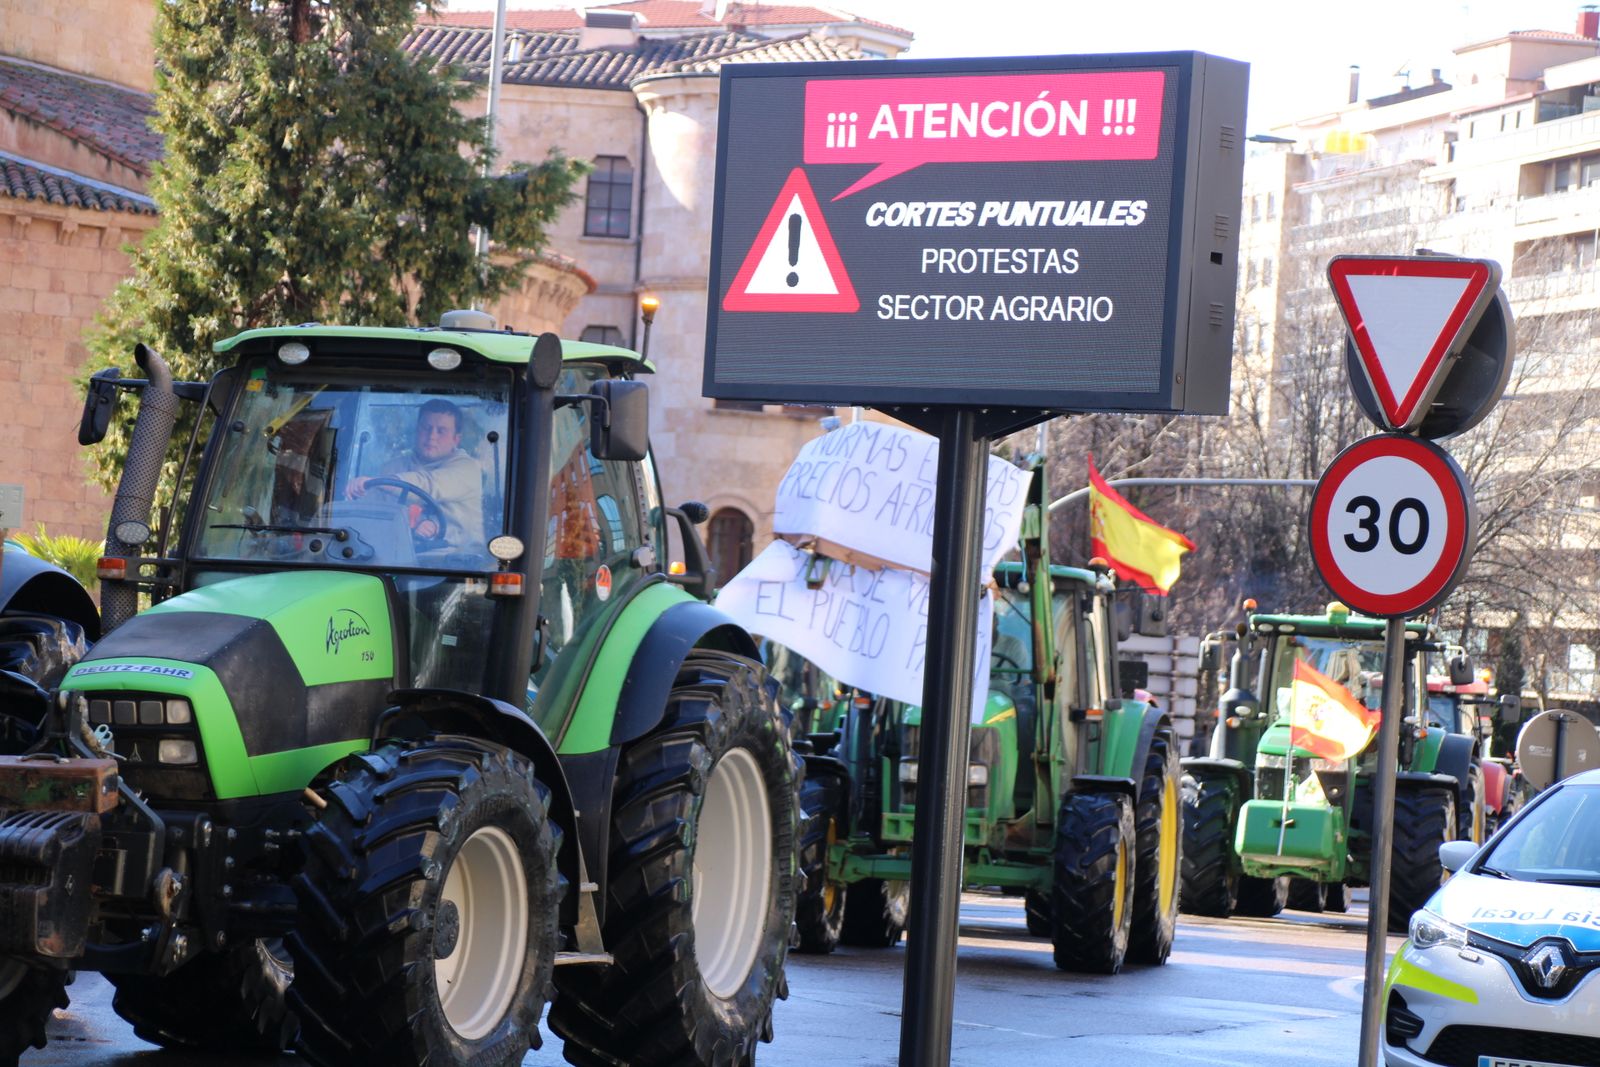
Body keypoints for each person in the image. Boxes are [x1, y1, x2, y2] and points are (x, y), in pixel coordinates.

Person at [347, 398, 483, 552]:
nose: (432, 436)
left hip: (455, 558)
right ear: (417, 430)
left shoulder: (467, 469)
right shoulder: (393, 468)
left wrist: (380, 482)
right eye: (426, 428)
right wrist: (358, 490)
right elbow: (369, 512)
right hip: (394, 556)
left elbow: (429, 485)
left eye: (441, 431)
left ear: (456, 439)